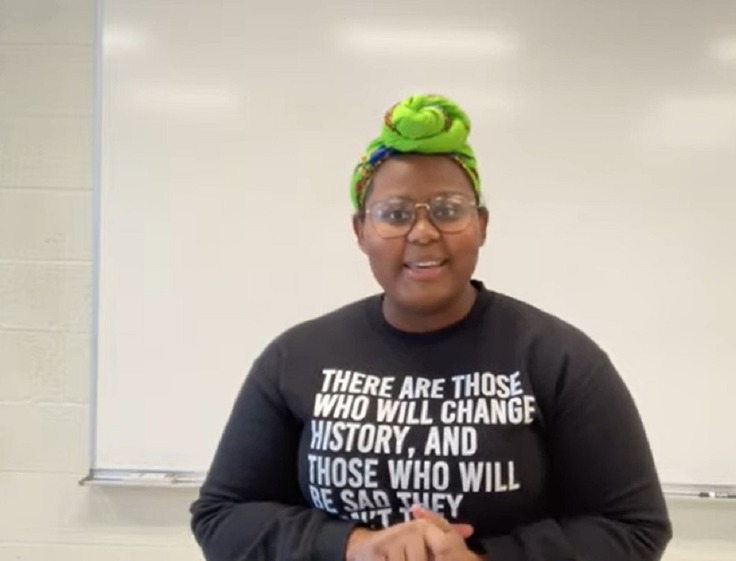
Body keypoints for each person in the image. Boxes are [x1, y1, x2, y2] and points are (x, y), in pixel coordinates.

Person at [189, 93, 671, 561]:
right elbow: (222, 518)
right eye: (395, 215)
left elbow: (635, 528)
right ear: (361, 232)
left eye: (447, 210)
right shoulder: (296, 356)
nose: (423, 232)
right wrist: (352, 545)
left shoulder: (558, 358)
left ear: (481, 224)